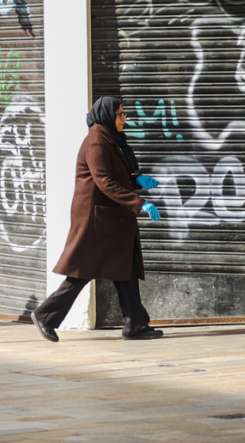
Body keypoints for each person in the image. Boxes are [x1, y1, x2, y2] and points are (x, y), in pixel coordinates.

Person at [33, 96, 163, 342]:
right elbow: (104, 181)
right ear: (107, 115)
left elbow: (111, 175)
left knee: (127, 268)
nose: (124, 119)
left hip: (111, 220)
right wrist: (140, 202)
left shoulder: (109, 138)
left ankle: (135, 324)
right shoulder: (96, 141)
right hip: (97, 222)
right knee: (81, 273)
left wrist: (136, 180)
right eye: (120, 114)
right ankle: (45, 316)